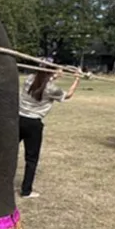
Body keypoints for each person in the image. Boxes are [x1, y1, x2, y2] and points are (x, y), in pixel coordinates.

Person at [18, 67, 81, 198]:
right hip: (33, 124)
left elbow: (41, 80)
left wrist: (54, 75)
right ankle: (26, 191)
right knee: (31, 159)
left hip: (18, 119)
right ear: (52, 72)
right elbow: (68, 95)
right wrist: (77, 79)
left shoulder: (29, 79)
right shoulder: (52, 89)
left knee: (7, 153)